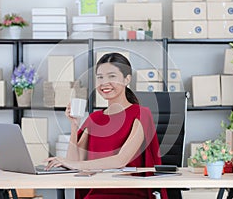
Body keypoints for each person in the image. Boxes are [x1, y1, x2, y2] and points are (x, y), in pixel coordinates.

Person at [46, 52, 168, 199]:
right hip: (95, 193)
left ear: (127, 79)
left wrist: (73, 164)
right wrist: (74, 126)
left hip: (128, 193)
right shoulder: (94, 118)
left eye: (112, 76)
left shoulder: (141, 114)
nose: (104, 83)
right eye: (100, 77)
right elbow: (75, 161)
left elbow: (120, 161)